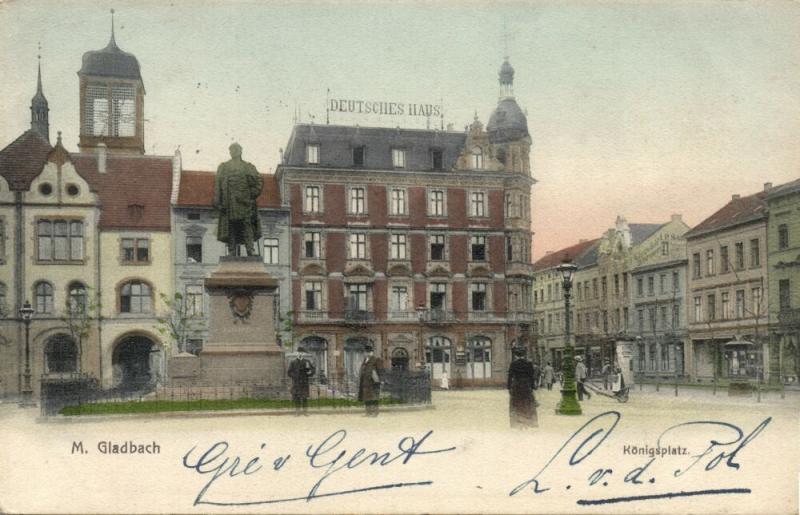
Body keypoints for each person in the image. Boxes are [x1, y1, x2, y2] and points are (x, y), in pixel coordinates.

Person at [213, 142, 263, 256]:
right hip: (229, 201)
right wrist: (217, 201)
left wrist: (252, 194)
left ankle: (250, 249)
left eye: (236, 149)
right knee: (231, 225)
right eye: (231, 150)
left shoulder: (248, 167)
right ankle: (231, 251)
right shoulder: (224, 167)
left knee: (247, 224)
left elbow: (259, 182)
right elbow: (218, 186)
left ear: (241, 151)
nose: (233, 152)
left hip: (245, 202)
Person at [507, 347, 538, 428]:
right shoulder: (529, 363)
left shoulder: (513, 364)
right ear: (524, 354)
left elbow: (510, 376)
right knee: (527, 404)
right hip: (526, 385)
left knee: (516, 404)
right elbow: (531, 376)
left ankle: (517, 423)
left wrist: (509, 387)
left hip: (516, 385)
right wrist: (532, 387)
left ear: (516, 355)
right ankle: (528, 422)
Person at [287, 347, 315, 415]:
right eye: (299, 352)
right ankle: (297, 411)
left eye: (302, 353)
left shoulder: (307, 361)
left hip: (304, 382)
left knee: (304, 397)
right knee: (297, 397)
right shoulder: (293, 362)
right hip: (296, 382)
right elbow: (289, 372)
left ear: (304, 354)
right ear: (297, 353)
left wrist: (310, 373)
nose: (300, 354)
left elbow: (313, 370)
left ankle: (305, 411)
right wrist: (294, 376)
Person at [358, 343, 383, 417]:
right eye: (364, 352)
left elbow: (380, 371)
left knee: (374, 398)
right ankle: (368, 412)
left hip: (373, 383)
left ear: (369, 352)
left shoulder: (376, 360)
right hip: (365, 382)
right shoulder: (365, 360)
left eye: (365, 352)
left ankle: (375, 413)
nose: (364, 353)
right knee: (366, 398)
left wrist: (381, 380)